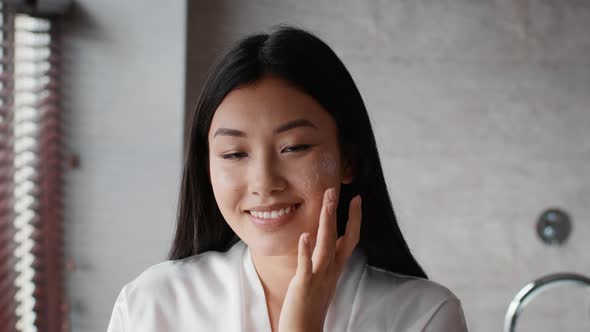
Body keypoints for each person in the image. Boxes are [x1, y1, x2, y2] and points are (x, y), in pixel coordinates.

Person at [107, 26, 468, 332]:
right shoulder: (150, 306)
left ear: (348, 161)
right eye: (234, 154)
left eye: (294, 148)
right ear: (207, 170)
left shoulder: (423, 316)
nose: (264, 183)